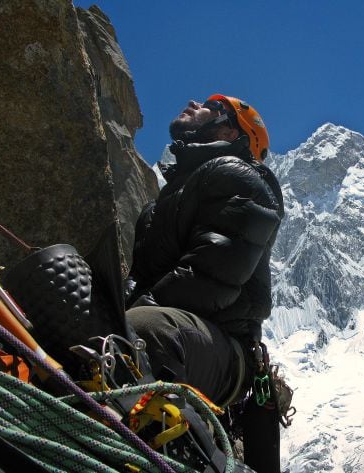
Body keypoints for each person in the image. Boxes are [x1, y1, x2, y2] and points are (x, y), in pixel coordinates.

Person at [124, 94, 284, 472]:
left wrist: (123, 315)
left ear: (230, 130)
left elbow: (210, 279)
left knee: (145, 331)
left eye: (212, 106)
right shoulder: (167, 199)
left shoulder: (240, 178)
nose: (194, 102)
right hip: (189, 331)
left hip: (225, 352)